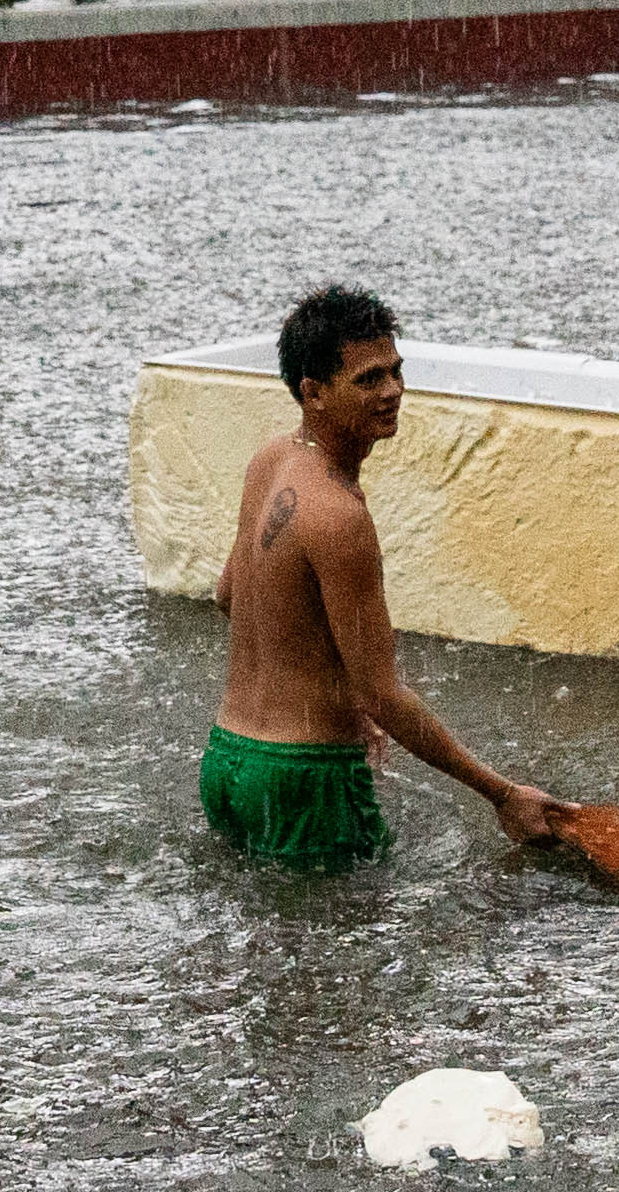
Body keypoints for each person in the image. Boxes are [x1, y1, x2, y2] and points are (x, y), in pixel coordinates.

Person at [203, 284, 567, 873]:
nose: (393, 390)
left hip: (227, 760)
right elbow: (384, 693)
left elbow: (228, 595)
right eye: (369, 379)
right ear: (313, 392)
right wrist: (502, 795)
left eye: (396, 371)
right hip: (307, 779)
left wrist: (324, 691)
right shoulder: (339, 515)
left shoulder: (271, 459)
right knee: (352, 932)